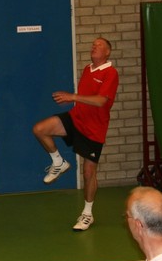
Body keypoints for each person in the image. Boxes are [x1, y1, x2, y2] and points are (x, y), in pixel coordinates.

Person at [31, 37, 118, 231]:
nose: (94, 46)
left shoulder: (111, 73)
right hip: (76, 119)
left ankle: (87, 214)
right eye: (93, 44)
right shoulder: (88, 69)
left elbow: (101, 101)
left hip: (94, 129)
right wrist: (73, 101)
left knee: (88, 173)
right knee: (40, 129)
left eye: (99, 45)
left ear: (107, 52)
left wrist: (72, 96)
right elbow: (85, 99)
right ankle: (58, 162)